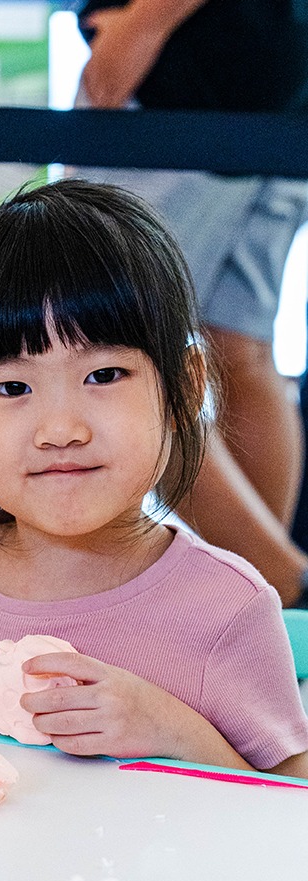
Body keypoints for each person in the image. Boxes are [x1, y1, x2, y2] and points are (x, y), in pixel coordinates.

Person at [0, 179, 308, 776]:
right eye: (12, 387)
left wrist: (175, 732)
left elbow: (285, 819)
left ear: (186, 387)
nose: (60, 428)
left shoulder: (227, 607)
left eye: (105, 374)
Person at [73, 0, 308, 608]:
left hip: (180, 121)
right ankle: (267, 602)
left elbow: (108, 80)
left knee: (111, 359)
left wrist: (143, 21)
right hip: (281, 109)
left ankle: (279, 582)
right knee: (240, 353)